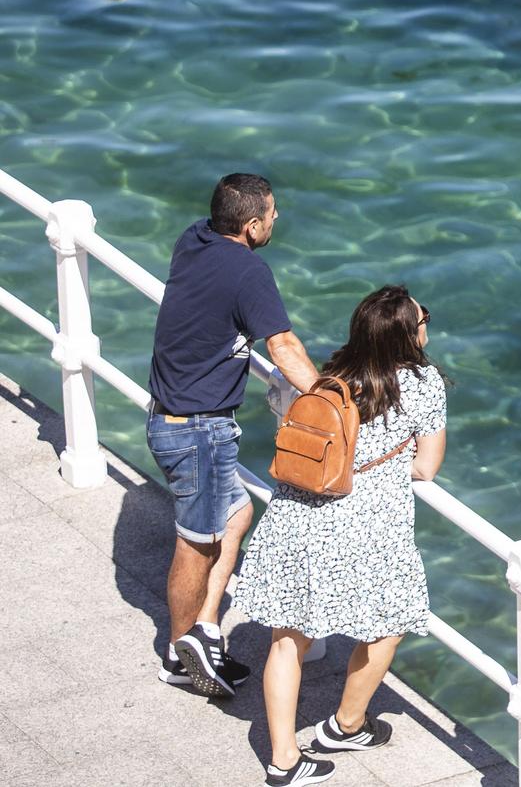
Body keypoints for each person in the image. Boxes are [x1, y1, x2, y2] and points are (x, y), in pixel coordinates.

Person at [233, 285, 449, 786]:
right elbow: (427, 466)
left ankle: (284, 760)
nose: (427, 325)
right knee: (387, 624)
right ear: (407, 336)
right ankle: (346, 725)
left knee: (286, 642)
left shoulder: (331, 376)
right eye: (424, 320)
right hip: (368, 526)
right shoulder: (423, 382)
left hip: (295, 517)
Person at [148, 172, 319, 699]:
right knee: (196, 544)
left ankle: (204, 629)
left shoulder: (194, 239)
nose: (275, 219)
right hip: (197, 428)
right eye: (270, 214)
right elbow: (284, 347)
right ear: (250, 225)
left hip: (174, 414)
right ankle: (181, 653)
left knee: (237, 513)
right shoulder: (249, 270)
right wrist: (333, 403)